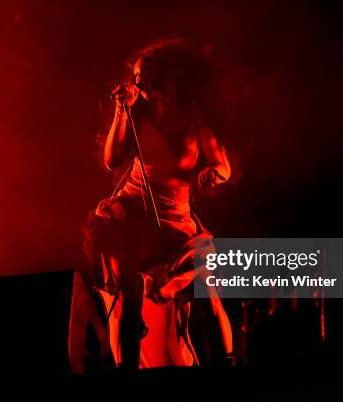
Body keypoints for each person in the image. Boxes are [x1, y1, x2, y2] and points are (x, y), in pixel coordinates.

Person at [81, 38, 233, 369]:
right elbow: (111, 161)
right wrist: (123, 110)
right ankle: (129, 365)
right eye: (136, 77)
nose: (137, 83)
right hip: (131, 215)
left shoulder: (196, 122)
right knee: (130, 295)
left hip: (175, 220)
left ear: (169, 79)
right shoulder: (138, 115)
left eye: (144, 75)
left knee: (208, 296)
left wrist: (212, 174)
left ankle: (226, 362)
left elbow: (223, 167)